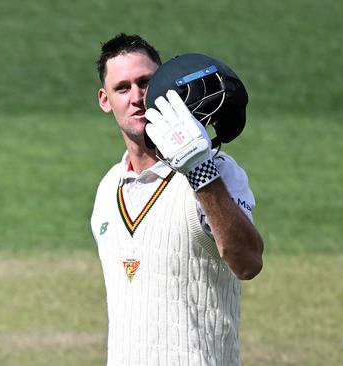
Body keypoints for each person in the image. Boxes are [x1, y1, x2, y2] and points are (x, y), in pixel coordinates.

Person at [90, 33, 264, 366]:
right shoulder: (108, 187)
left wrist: (201, 172)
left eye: (146, 83)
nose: (138, 97)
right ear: (105, 100)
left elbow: (248, 262)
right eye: (122, 88)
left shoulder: (219, 171)